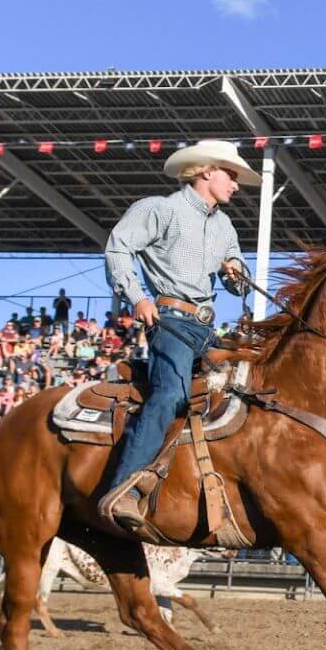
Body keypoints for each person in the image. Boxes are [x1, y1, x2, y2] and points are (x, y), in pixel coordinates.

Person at [97, 139, 258, 532]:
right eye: (231, 175)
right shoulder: (160, 209)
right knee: (170, 394)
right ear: (206, 171)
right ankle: (125, 488)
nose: (236, 184)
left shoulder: (224, 225)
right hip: (170, 319)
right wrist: (137, 297)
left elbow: (236, 277)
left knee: (250, 390)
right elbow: (118, 249)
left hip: (207, 327)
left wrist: (237, 274)